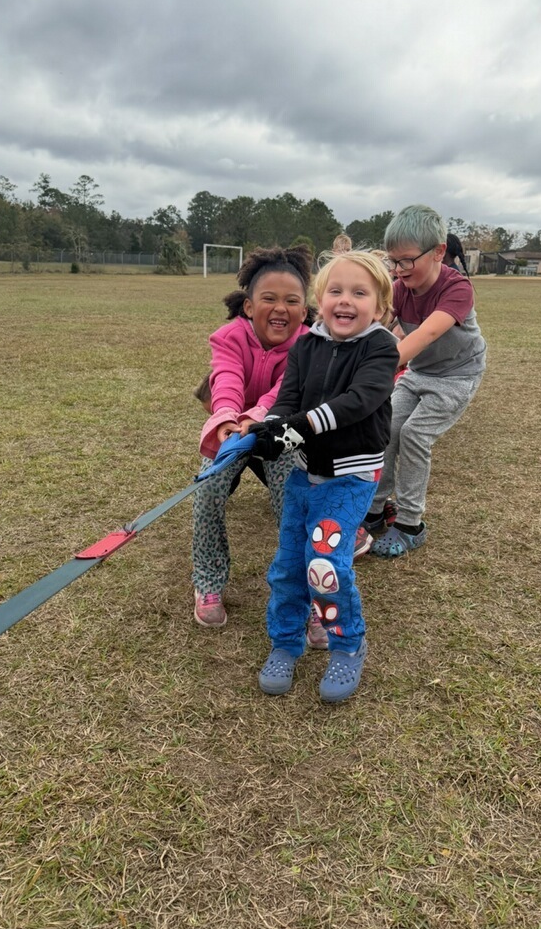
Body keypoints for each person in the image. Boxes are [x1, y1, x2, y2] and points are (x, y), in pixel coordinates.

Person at [247, 250, 399, 702]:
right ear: (320, 299)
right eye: (335, 291)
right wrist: (270, 429)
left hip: (350, 481)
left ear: (380, 305)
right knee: (289, 565)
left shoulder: (381, 347)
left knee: (325, 565)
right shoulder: (306, 345)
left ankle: (347, 644)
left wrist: (297, 427)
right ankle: (286, 642)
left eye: (359, 292)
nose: (345, 301)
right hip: (302, 476)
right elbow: (287, 399)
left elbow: (358, 400)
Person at [192, 246, 311, 627]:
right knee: (208, 489)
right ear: (248, 306)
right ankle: (208, 581)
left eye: (292, 301)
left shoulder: (308, 347)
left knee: (295, 498)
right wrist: (227, 419)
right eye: (269, 299)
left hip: (278, 431)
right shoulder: (228, 337)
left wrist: (257, 420)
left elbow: (283, 394)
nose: (281, 308)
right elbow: (225, 378)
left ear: (304, 311)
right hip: (234, 432)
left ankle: (303, 584)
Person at [363, 204, 486, 557]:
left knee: (415, 434)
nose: (398, 270)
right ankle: (374, 511)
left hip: (457, 376)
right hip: (420, 373)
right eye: (393, 262)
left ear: (438, 252)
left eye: (405, 261)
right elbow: (379, 323)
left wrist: (378, 365)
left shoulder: (457, 288)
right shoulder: (401, 288)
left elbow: (428, 333)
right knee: (386, 428)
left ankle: (410, 524)